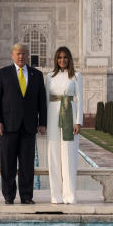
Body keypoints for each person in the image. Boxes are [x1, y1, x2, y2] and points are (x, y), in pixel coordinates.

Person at [0, 43, 47, 204]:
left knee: (27, 164)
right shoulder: (3, 73)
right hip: (8, 126)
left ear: (28, 55)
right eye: (18, 54)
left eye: (23, 53)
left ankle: (26, 196)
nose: (21, 56)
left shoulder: (36, 74)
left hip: (29, 127)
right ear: (12, 55)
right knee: (8, 164)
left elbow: (41, 101)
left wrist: (42, 122)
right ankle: (9, 196)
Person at [44, 47, 83, 204]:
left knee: (69, 156)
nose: (62, 60)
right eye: (59, 57)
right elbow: (46, 100)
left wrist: (78, 121)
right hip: (53, 115)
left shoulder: (76, 76)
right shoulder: (49, 77)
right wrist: (43, 122)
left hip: (69, 114)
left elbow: (79, 99)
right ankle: (56, 195)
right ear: (56, 59)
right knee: (53, 155)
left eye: (65, 57)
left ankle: (69, 195)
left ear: (69, 59)